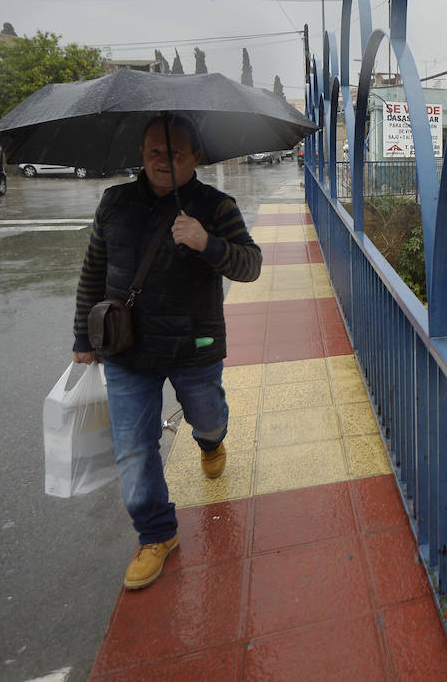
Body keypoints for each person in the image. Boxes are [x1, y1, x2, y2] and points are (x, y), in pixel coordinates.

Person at [72, 116, 262, 590]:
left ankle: (211, 441)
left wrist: (206, 242)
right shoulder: (115, 203)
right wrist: (82, 337)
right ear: (142, 153)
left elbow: (251, 265)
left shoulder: (216, 206)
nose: (164, 160)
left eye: (176, 153)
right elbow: (93, 270)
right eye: (155, 151)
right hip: (125, 347)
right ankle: (157, 533)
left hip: (194, 344)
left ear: (196, 158)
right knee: (134, 450)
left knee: (208, 416)